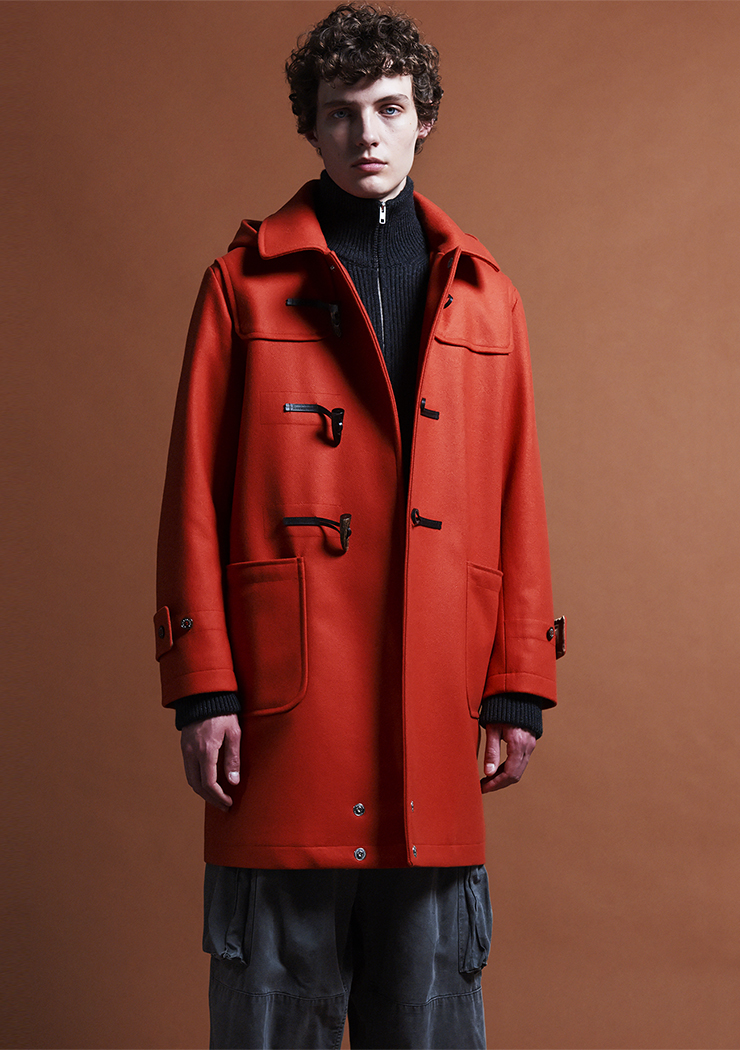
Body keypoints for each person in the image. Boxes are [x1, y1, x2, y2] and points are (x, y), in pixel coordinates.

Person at [155, 4, 563, 1047]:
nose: (365, 134)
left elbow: (516, 493)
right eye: (340, 113)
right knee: (269, 1020)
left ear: (424, 118)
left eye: (387, 108)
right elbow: (192, 494)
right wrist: (203, 687)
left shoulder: (487, 298)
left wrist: (518, 680)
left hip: (436, 705)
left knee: (428, 1021)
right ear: (311, 126)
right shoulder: (241, 287)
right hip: (280, 713)